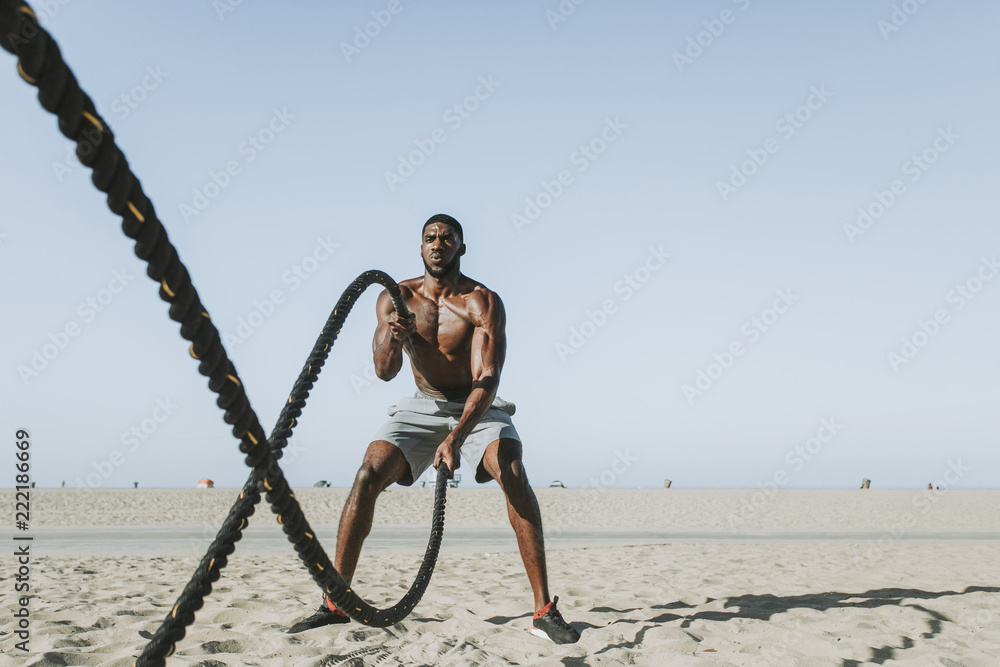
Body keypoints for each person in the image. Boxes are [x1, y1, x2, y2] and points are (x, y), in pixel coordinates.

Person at [288, 214, 579, 644]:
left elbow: (488, 376)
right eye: (430, 238)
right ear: (420, 246)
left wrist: (456, 436)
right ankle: (334, 602)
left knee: (512, 471)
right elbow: (384, 372)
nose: (438, 244)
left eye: (447, 238)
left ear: (461, 248)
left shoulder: (482, 301)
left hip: (478, 404)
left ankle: (542, 611)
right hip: (423, 404)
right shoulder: (396, 298)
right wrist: (393, 337)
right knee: (368, 472)